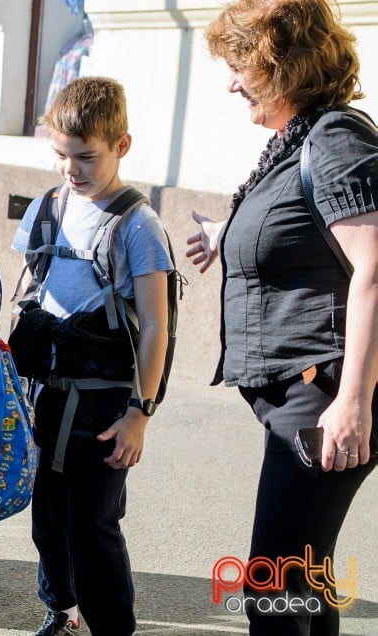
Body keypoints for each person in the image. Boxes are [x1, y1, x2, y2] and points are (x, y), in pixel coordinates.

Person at [186, 1, 378, 634]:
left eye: (241, 64)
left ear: (282, 65)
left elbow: (375, 268)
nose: (231, 80)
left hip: (322, 394)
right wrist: (227, 233)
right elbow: (294, 222)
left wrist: (353, 403)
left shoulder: (336, 138)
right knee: (303, 580)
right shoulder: (299, 139)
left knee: (272, 587)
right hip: (301, 390)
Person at [10, 76, 173, 636]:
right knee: (49, 522)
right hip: (46, 397)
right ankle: (61, 611)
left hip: (105, 406)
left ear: (121, 146)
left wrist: (139, 415)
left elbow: (156, 327)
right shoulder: (47, 208)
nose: (71, 170)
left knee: (93, 526)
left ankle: (112, 628)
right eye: (61, 156)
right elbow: (25, 293)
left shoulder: (139, 225)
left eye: (85, 157)